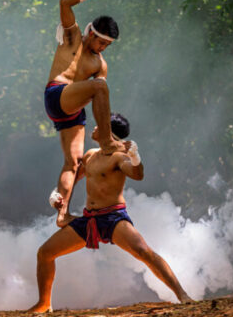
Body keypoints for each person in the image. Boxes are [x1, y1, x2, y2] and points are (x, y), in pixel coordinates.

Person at [28, 114, 194, 313]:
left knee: (144, 252)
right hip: (88, 219)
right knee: (45, 253)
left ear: (108, 132)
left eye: (100, 124)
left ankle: (182, 294)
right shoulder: (90, 155)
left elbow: (137, 174)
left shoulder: (119, 157)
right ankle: (44, 303)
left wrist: (135, 157)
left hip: (113, 218)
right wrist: (58, 195)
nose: (95, 127)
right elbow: (72, 179)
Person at [44, 0, 125, 228]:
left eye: (108, 45)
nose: (103, 48)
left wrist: (104, 126)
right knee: (100, 86)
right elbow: (65, 2)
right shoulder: (72, 38)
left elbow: (98, 101)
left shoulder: (100, 64)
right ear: (91, 33)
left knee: (75, 162)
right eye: (101, 42)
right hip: (58, 95)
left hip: (74, 110)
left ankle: (62, 211)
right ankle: (108, 140)